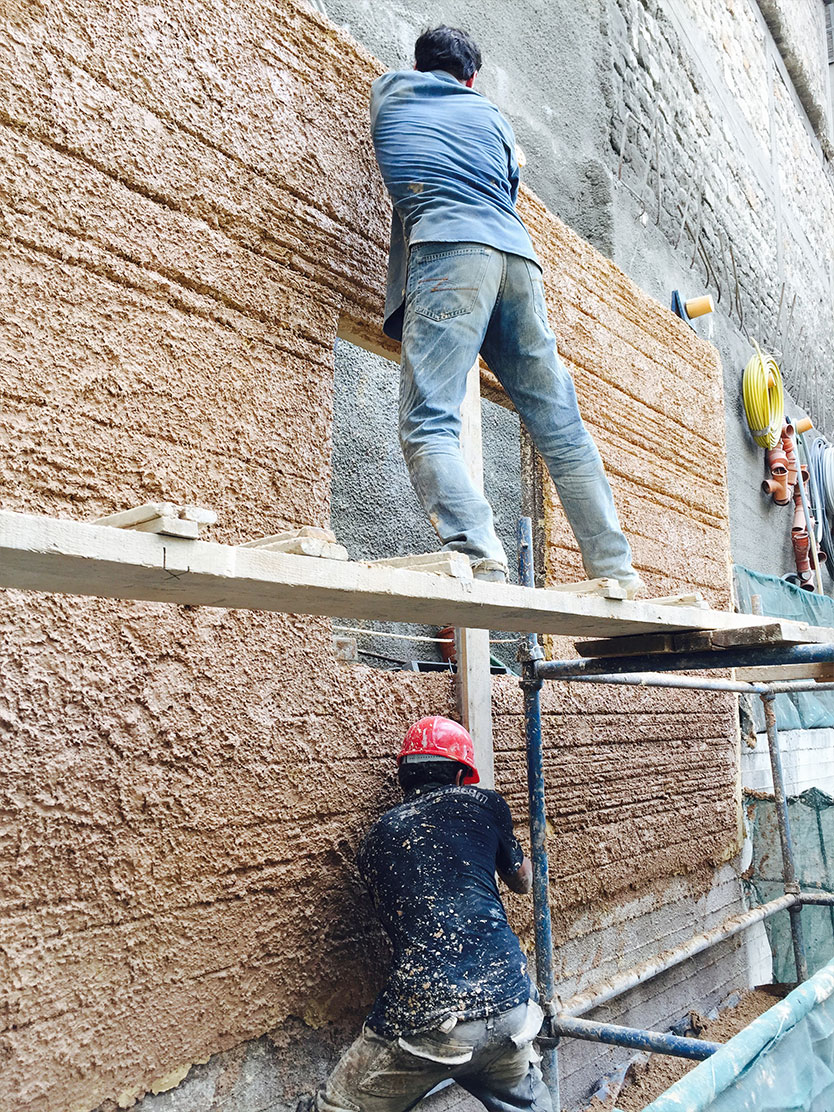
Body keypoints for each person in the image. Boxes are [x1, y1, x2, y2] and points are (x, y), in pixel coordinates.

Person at [370, 26, 643, 595]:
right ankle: (615, 568)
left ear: (422, 68)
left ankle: (477, 550)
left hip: (448, 250)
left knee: (429, 421)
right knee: (559, 421)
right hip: (517, 256)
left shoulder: (391, 92)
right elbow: (509, 185)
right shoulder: (493, 118)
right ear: (473, 79)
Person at [301, 716, 552, 1112]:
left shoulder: (376, 840)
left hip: (431, 1023)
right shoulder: (487, 804)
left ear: (404, 777)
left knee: (336, 1107)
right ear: (459, 775)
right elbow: (523, 883)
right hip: (512, 1008)